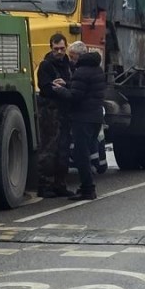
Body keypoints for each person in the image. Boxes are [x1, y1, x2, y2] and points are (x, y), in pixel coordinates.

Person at [53, 41, 105, 200]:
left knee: (80, 154)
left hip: (83, 118)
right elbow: (85, 89)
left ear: (79, 56)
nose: (70, 59)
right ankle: (86, 187)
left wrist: (60, 90)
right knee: (86, 152)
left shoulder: (81, 71)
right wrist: (68, 84)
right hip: (95, 116)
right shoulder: (96, 69)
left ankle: (88, 189)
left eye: (72, 56)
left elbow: (75, 96)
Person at [35, 33, 74, 197]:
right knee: (49, 150)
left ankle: (60, 183)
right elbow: (45, 87)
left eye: (62, 48)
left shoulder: (69, 65)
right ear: (51, 48)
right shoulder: (46, 65)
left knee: (64, 150)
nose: (59, 52)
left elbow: (74, 84)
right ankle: (45, 185)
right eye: (56, 48)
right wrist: (60, 90)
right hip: (50, 112)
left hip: (65, 112)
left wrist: (64, 86)